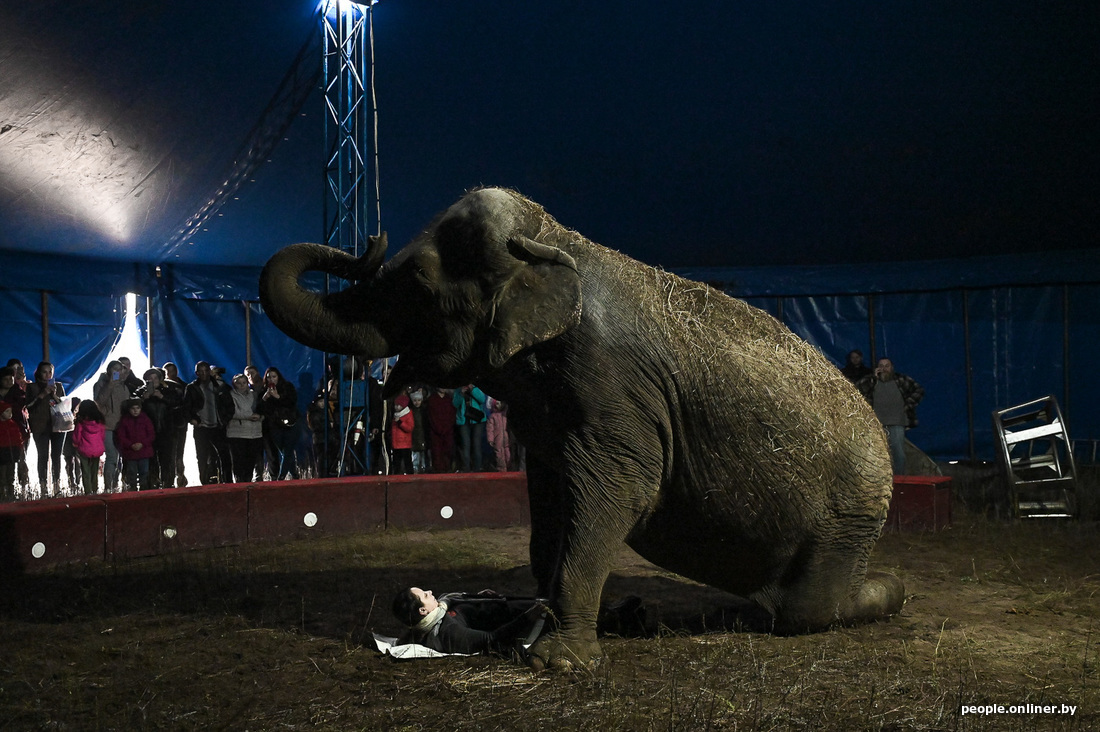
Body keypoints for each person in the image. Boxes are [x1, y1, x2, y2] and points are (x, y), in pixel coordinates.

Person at [391, 588, 546, 656]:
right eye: (425, 595)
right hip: (519, 615)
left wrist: (476, 598)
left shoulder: (441, 610)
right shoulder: (448, 632)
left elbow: (450, 601)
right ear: (423, 611)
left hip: (506, 604)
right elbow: (491, 639)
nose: (430, 592)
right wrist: (527, 617)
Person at [856, 358, 925, 475]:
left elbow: (919, 390)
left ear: (892, 367)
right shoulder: (872, 381)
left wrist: (907, 405)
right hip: (876, 424)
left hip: (896, 422)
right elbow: (856, 389)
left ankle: (898, 480)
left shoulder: (901, 380)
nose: (884, 369)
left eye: (886, 366)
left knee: (898, 454)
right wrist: (873, 378)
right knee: (876, 453)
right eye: (881, 366)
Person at [184, 361, 232, 484]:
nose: (204, 373)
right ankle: (205, 483)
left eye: (206, 370)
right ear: (197, 373)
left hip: (218, 426)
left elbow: (229, 405)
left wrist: (225, 420)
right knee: (202, 457)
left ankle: (227, 481)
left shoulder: (219, 385)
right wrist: (192, 420)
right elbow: (186, 407)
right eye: (201, 371)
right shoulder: (192, 388)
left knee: (224, 455)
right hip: (202, 427)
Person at [24, 361, 69, 496]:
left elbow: (64, 405)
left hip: (58, 425)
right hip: (40, 426)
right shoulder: (32, 387)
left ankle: (56, 484)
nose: (48, 375)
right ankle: (43, 485)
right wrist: (42, 395)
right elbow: (29, 407)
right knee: (42, 455)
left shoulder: (59, 386)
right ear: (39, 373)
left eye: (50, 372)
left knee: (56, 456)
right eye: (44, 371)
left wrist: (54, 395)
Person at [137, 368, 181, 489]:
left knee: (167, 459)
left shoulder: (168, 390)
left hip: (167, 431)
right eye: (150, 378)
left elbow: (177, 403)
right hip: (148, 433)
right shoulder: (140, 392)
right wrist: (143, 398)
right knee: (151, 460)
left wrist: (162, 397)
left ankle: (168, 483)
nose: (153, 380)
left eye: (155, 378)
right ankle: (153, 483)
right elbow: (133, 408)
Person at [93, 360, 133, 492]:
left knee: (120, 457)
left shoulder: (123, 387)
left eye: (120, 369)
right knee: (111, 456)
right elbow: (99, 402)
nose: (118, 371)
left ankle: (116, 484)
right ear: (109, 370)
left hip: (121, 426)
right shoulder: (100, 384)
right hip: (107, 426)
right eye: (114, 369)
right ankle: (108, 487)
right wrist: (110, 385)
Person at [257, 366, 299, 480]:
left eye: (274, 377)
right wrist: (265, 398)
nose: (271, 379)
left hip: (289, 424)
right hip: (273, 425)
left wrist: (278, 397)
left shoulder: (287, 387)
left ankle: (283, 476)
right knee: (280, 452)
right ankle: (291, 474)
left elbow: (292, 402)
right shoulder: (263, 391)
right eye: (269, 377)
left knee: (288, 450)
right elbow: (259, 409)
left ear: (279, 377)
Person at [225, 373, 264, 483]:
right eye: (239, 383)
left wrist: (260, 416)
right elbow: (232, 412)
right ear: (234, 384)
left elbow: (262, 409)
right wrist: (249, 416)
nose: (242, 385)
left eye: (244, 383)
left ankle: (248, 482)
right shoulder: (230, 395)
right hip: (237, 433)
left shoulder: (254, 395)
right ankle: (239, 483)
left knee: (250, 461)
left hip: (254, 433)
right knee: (238, 461)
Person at [0, 365, 29, 497]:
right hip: (2, 434)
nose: (9, 382)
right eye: (6, 379)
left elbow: (22, 408)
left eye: (11, 379)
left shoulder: (18, 393)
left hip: (17, 430)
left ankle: (17, 489)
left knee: (17, 461)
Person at [115, 398, 155, 491]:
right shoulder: (124, 421)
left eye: (137, 408)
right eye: (133, 408)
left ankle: (144, 489)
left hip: (144, 452)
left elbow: (151, 434)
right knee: (132, 474)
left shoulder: (145, 419)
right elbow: (121, 436)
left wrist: (142, 444)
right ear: (129, 409)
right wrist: (130, 445)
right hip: (131, 453)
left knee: (144, 473)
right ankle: (132, 490)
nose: (135, 410)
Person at [162, 362, 190, 486]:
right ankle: (170, 478)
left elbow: (186, 404)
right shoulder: (163, 387)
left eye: (171, 372)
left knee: (179, 452)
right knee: (169, 452)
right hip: (167, 425)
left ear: (176, 372)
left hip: (180, 424)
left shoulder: (184, 386)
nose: (169, 375)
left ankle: (180, 476)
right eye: (167, 372)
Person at [71, 400, 107, 495]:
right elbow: (103, 436)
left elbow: (77, 437)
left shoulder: (81, 423)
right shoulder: (100, 422)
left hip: (84, 449)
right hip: (97, 449)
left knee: (85, 471)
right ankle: (95, 489)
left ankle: (88, 491)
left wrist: (75, 443)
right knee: (94, 470)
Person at [452, 385, 488, 472]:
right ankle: (466, 469)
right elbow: (455, 404)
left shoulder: (476, 387)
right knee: (465, 445)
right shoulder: (458, 389)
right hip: (464, 420)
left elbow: (482, 399)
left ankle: (477, 468)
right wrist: (461, 393)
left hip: (477, 420)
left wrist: (472, 390)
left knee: (477, 445)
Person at [0, 395, 27, 502]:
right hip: (2, 455)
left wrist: (19, 449)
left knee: (11, 476)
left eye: (10, 411)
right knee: (2, 476)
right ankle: (2, 495)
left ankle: (10, 494)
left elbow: (18, 438)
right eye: (7, 411)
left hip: (11, 455)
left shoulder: (13, 425)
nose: (10, 414)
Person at [389, 393, 414, 475]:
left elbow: (409, 428)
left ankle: (410, 474)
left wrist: (400, 422)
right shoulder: (395, 415)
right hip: (396, 444)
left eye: (398, 405)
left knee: (407, 462)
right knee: (396, 462)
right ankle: (396, 475)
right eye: (396, 405)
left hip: (405, 444)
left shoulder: (408, 414)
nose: (396, 407)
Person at [485, 396, 512, 472]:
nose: (498, 405)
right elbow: (490, 429)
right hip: (497, 438)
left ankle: (508, 465)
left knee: (508, 453)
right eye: (496, 403)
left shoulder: (506, 414)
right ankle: (502, 468)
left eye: (499, 403)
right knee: (499, 453)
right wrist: (490, 439)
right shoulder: (493, 416)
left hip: (506, 438)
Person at [408, 389, 428, 473]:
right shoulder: (411, 411)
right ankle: (415, 468)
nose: (417, 402)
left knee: (423, 453)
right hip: (414, 435)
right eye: (415, 400)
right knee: (415, 453)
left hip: (422, 434)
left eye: (419, 400)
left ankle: (423, 467)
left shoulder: (424, 411)